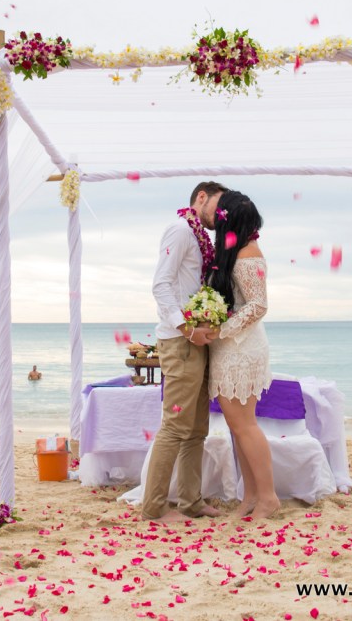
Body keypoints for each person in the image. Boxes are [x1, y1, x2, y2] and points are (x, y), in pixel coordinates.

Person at [142, 181, 229, 522]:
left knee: (196, 429)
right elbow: (160, 283)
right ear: (201, 197)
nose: (219, 214)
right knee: (175, 426)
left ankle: (190, 502)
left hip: (197, 341)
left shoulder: (199, 237)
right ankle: (153, 508)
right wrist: (186, 329)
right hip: (180, 341)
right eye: (217, 206)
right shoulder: (179, 230)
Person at [206, 190, 280, 520]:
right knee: (237, 428)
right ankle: (250, 496)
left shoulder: (249, 252)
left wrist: (221, 329)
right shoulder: (234, 251)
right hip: (230, 347)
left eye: (219, 213)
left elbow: (258, 305)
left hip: (241, 348)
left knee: (245, 425)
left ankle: (268, 497)